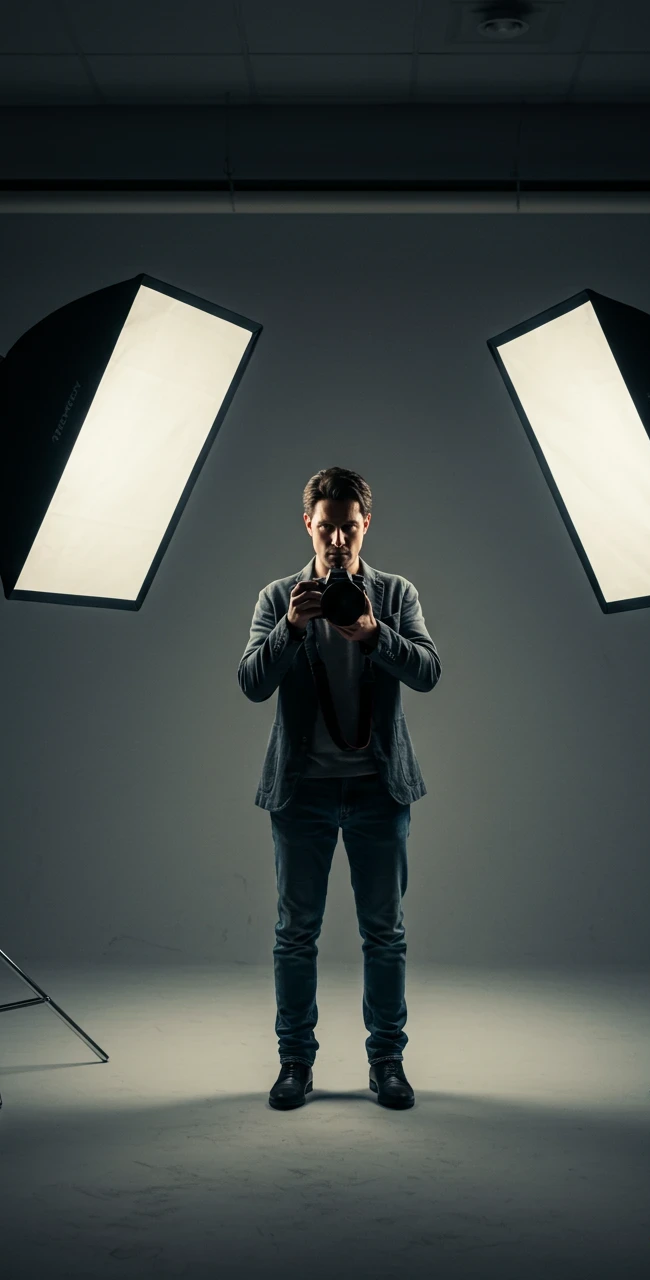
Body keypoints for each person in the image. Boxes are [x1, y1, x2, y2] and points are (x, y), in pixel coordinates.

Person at [237, 467, 441, 1110]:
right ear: (308, 525)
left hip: (380, 789)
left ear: (366, 525)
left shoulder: (395, 593)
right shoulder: (279, 597)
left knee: (386, 935)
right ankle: (295, 1063)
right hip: (302, 794)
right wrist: (290, 631)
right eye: (325, 526)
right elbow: (250, 683)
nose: (337, 539)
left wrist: (376, 636)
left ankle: (388, 1064)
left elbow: (431, 671)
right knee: (295, 934)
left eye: (349, 526)